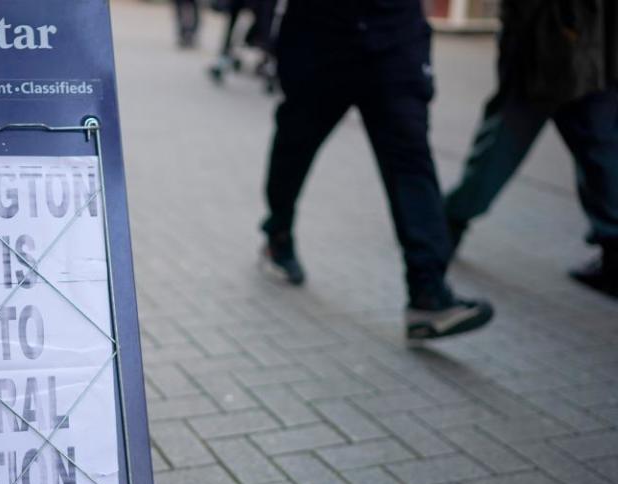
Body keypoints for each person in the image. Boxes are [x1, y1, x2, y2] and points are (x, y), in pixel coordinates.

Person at [260, 0, 494, 340]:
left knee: (411, 158)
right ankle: (277, 235)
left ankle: (428, 294)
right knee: (295, 145)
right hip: (320, 34)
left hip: (394, 37)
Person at [445, 0, 618, 298]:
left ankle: (444, 227)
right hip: (582, 42)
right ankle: (614, 249)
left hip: (553, 43)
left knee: (502, 144)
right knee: (601, 151)